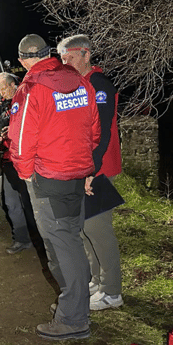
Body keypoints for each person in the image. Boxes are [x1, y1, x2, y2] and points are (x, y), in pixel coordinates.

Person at [8, 34, 100, 340]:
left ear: (23, 60)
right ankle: (74, 304)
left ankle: (74, 318)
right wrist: (85, 164)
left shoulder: (30, 88)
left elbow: (20, 141)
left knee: (62, 245)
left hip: (48, 178)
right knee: (68, 239)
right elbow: (94, 129)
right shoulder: (81, 82)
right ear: (50, 53)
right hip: (76, 174)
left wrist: (24, 174)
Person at [57, 34, 123, 311]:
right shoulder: (82, 84)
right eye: (62, 59)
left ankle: (112, 291)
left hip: (98, 169)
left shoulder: (99, 85)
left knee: (98, 230)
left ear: (85, 54)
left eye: (69, 58)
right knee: (86, 228)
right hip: (85, 168)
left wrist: (90, 171)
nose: (65, 63)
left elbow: (103, 131)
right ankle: (97, 281)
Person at [0, 72, 38, 254]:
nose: (1, 93)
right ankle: (21, 239)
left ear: (13, 84)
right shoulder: (2, 104)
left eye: (3, 89)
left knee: (30, 204)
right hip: (8, 160)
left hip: (26, 161)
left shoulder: (26, 99)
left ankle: (40, 241)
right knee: (11, 203)